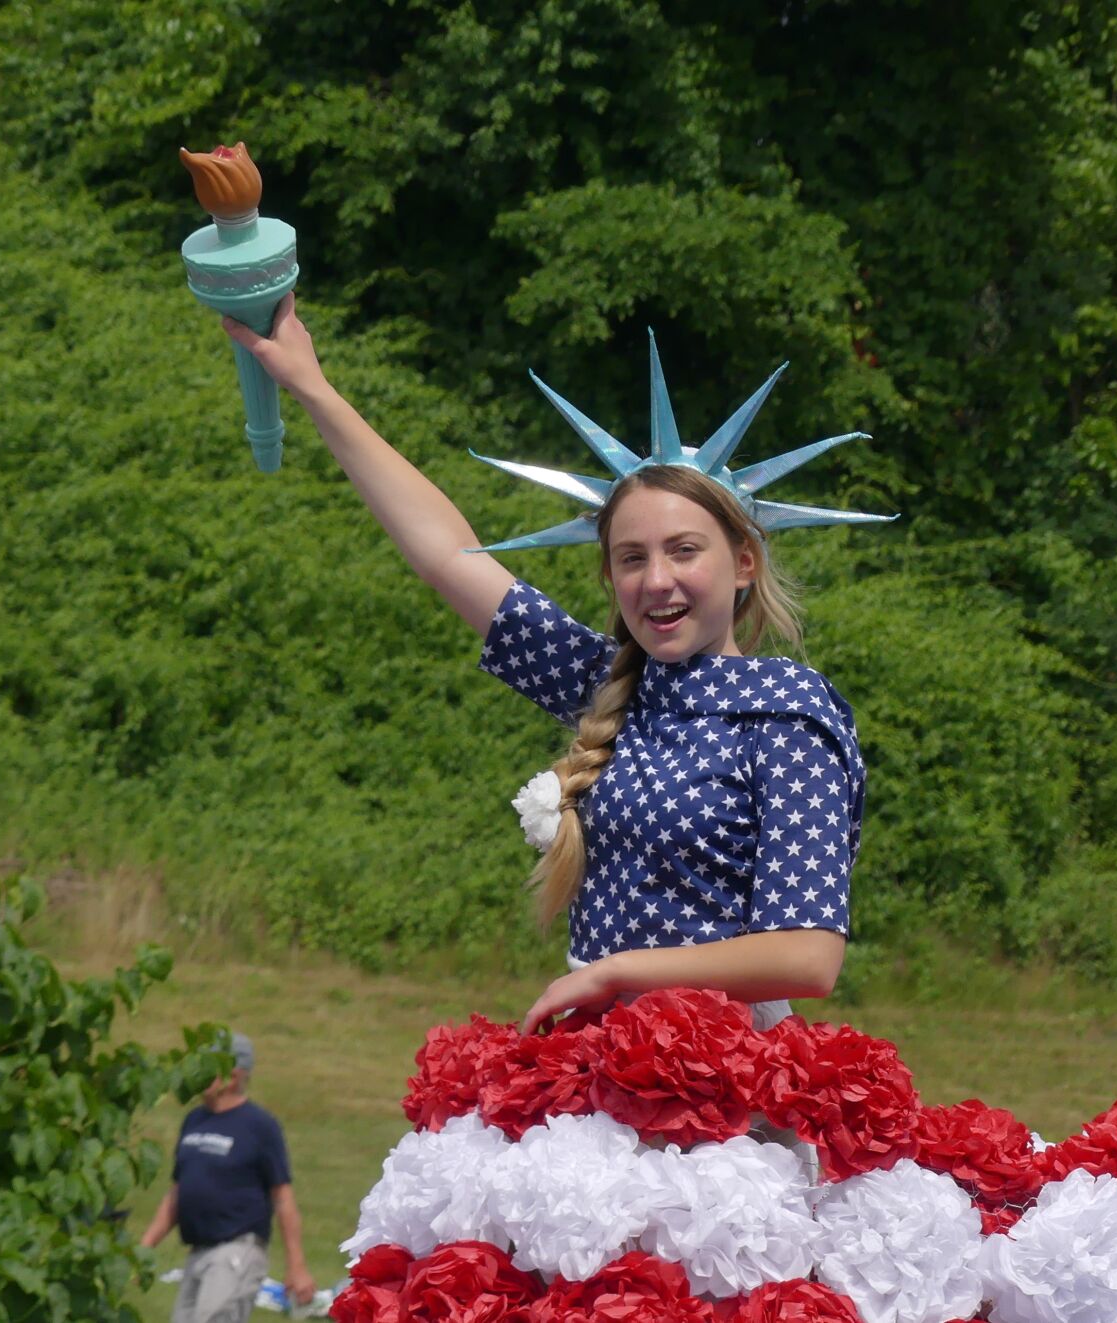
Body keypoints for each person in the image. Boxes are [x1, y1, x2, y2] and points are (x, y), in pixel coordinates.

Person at [220, 298, 886, 1036]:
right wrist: (313, 387)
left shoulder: (788, 713)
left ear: (744, 561)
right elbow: (447, 556)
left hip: (724, 1078)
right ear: (609, 576)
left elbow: (809, 955)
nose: (655, 579)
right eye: (631, 558)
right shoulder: (609, 685)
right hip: (595, 1053)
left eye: (684, 550)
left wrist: (616, 970)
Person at [140, 1031, 317, 1321]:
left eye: (206, 1067)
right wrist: (144, 1249)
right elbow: (177, 1193)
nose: (196, 1074)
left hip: (236, 1251)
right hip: (197, 1252)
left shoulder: (259, 1126)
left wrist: (296, 1265)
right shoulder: (194, 1120)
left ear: (232, 1075)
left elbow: (282, 1197)